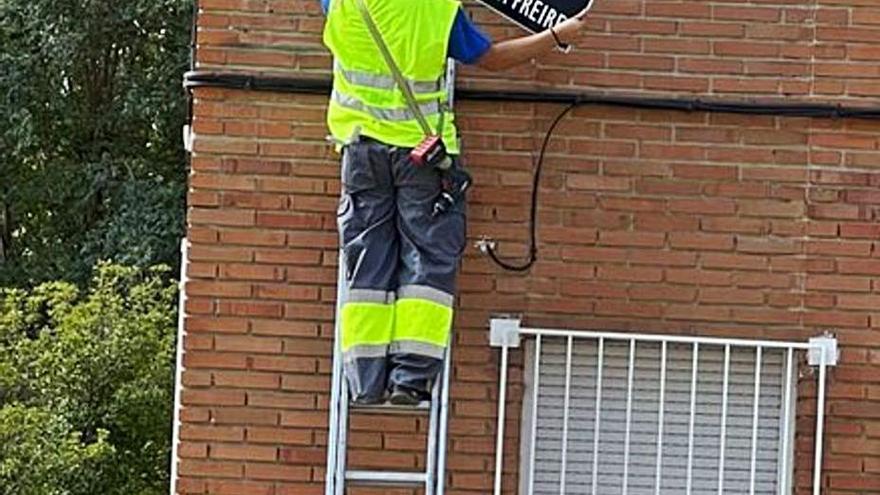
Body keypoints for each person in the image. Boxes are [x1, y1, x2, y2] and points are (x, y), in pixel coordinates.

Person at [321, 0, 593, 405]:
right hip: (422, 156)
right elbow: (493, 59)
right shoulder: (437, 10)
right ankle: (410, 380)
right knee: (427, 261)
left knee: (367, 264)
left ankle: (364, 379)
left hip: (360, 152)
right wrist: (557, 36)